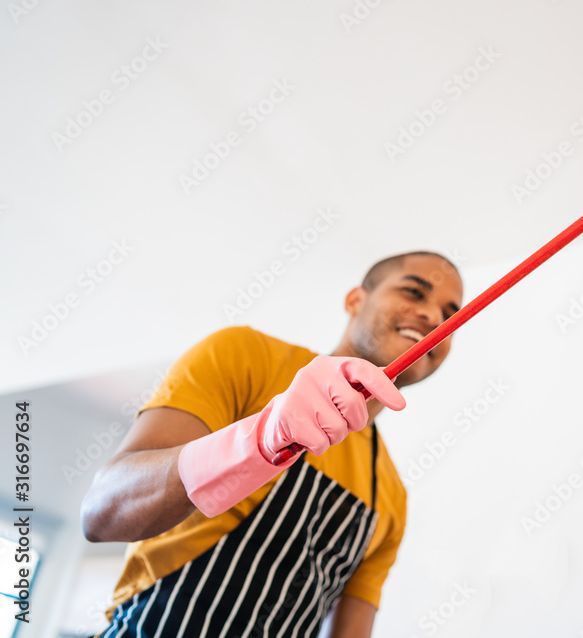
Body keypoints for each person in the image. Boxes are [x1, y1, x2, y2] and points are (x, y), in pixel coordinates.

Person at [81, 251, 463, 638]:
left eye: (450, 315)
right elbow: (102, 514)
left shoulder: (392, 499)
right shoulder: (243, 355)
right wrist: (257, 440)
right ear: (355, 300)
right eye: (414, 292)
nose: (433, 317)